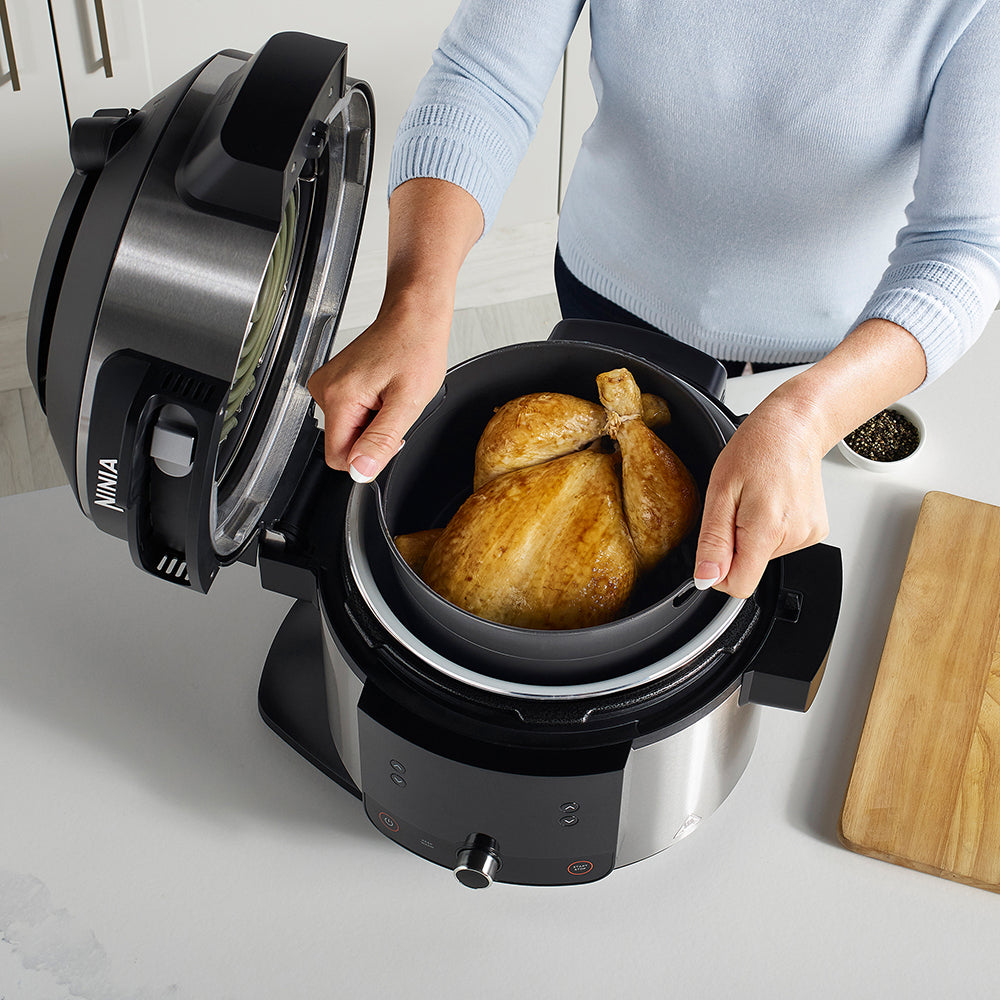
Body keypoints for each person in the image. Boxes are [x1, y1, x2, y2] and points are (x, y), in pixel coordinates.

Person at [308, 0, 1000, 599]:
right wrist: (415, 296)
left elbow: (965, 245)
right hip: (603, 286)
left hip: (823, 364)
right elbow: (481, 80)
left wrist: (809, 414)